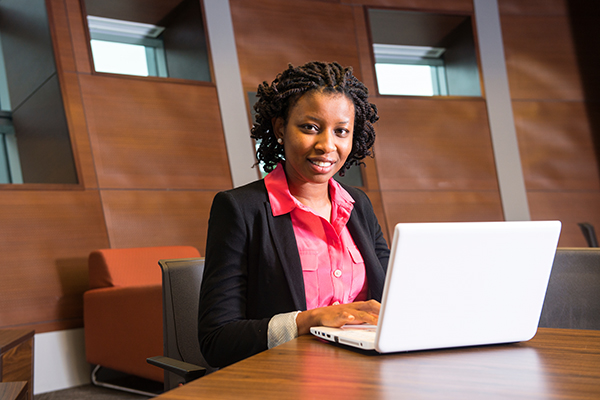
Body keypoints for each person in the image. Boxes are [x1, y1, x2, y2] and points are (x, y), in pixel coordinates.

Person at [198, 61, 390, 368]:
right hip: (287, 377)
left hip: (366, 370)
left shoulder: (358, 205)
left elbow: (393, 299)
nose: (327, 145)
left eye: (341, 131)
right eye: (310, 127)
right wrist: (307, 321)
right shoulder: (240, 209)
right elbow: (217, 339)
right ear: (279, 128)